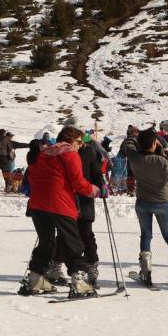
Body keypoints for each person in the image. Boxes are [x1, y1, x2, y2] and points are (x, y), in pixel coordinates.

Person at [20, 126, 101, 298]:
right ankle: (79, 283)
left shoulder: (43, 153)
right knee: (73, 243)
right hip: (60, 204)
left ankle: (35, 278)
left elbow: (33, 178)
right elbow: (78, 182)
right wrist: (95, 190)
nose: (80, 145)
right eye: (79, 141)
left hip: (38, 204)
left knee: (46, 243)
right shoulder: (69, 153)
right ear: (71, 140)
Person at [121, 127, 168, 286]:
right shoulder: (160, 161)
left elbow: (128, 144)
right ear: (154, 143)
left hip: (142, 202)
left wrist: (136, 138)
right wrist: (161, 154)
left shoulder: (135, 158)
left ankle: (146, 271)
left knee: (146, 234)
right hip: (161, 202)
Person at [76, 132, 105, 288]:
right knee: (66, 235)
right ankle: (57, 265)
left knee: (86, 234)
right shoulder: (66, 153)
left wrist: (101, 185)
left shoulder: (88, 152)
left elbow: (96, 172)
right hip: (67, 199)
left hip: (85, 198)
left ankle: (91, 267)